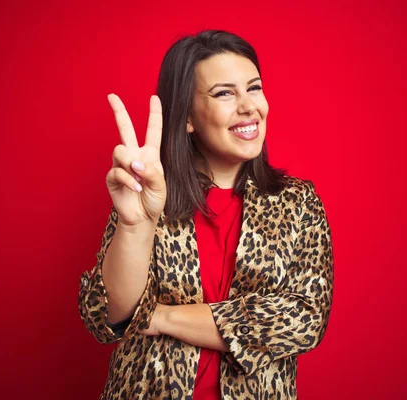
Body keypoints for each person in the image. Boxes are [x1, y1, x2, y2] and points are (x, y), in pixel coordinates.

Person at [78, 30, 334, 400]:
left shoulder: (298, 203)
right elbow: (107, 317)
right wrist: (137, 226)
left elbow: (302, 319)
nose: (249, 106)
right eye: (224, 93)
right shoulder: (151, 193)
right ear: (187, 117)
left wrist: (159, 317)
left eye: (255, 87)